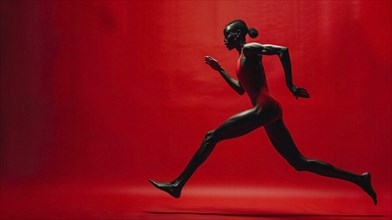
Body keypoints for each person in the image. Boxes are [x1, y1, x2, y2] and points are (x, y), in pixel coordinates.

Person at [149, 19, 377, 205]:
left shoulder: (249, 49)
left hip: (265, 107)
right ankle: (360, 179)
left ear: (238, 34)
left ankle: (177, 185)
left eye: (227, 35)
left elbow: (282, 51)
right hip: (269, 110)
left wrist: (290, 85)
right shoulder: (241, 59)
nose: (224, 39)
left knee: (211, 136)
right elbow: (241, 90)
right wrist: (220, 70)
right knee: (299, 162)